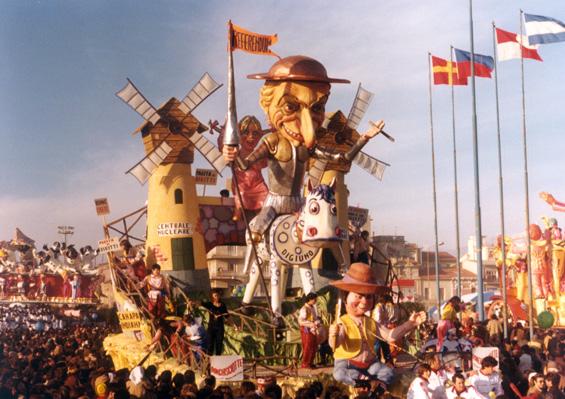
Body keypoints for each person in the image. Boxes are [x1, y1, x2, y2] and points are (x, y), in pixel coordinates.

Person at [222, 55, 384, 244]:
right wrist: (232, 154)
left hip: (299, 203)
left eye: (317, 108)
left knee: (322, 229)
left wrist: (365, 137)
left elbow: (344, 157)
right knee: (257, 234)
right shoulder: (272, 141)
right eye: (291, 107)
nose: (306, 126)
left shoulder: (308, 149)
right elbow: (245, 164)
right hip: (274, 204)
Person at [328, 262, 427, 386]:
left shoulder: (370, 322)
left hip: (370, 365)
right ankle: (365, 383)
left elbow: (391, 336)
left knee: (388, 373)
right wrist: (334, 335)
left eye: (368, 297)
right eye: (358, 296)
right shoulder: (342, 322)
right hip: (348, 364)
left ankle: (373, 384)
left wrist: (410, 324)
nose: (364, 301)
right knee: (340, 374)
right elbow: (336, 343)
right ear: (346, 297)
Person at [298, 292, 322, 369]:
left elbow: (314, 318)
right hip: (306, 329)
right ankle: (305, 363)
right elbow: (301, 321)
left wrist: (317, 321)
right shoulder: (304, 309)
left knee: (313, 345)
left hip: (312, 329)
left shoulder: (312, 307)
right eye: (314, 299)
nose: (315, 301)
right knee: (308, 346)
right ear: (310, 299)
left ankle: (310, 362)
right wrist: (311, 324)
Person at [202, 289, 228, 355]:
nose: (217, 297)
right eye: (215, 296)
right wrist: (192, 302)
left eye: (217, 295)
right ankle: (208, 362)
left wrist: (234, 325)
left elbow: (227, 316)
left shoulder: (223, 305)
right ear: (212, 297)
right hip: (211, 327)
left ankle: (218, 362)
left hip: (220, 328)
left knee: (219, 345)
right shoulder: (209, 304)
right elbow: (200, 303)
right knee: (210, 345)